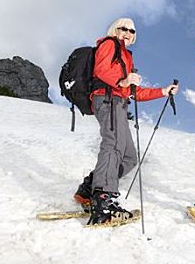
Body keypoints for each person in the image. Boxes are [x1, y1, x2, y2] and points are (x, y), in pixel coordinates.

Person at [74, 18, 178, 225]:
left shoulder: (126, 56)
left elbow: (133, 92)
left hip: (119, 103)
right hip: (107, 98)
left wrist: (162, 92)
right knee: (112, 145)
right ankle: (104, 199)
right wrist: (122, 80)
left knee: (129, 157)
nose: (128, 32)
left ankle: (90, 189)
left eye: (132, 30)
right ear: (115, 29)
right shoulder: (108, 44)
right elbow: (102, 70)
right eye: (124, 28)